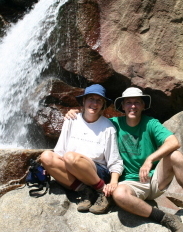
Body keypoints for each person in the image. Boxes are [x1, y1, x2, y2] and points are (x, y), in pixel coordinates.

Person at [66, 87, 183, 232]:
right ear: (122, 106)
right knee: (119, 194)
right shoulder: (112, 125)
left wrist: (150, 159)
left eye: (137, 102)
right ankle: (165, 218)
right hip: (130, 184)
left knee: (176, 156)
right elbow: (91, 120)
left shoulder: (150, 123)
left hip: (155, 180)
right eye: (129, 103)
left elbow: (173, 142)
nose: (133, 106)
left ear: (143, 105)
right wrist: (75, 114)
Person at [40, 84, 124, 214]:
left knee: (71, 157)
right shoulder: (71, 120)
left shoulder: (108, 128)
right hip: (71, 166)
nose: (94, 104)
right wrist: (50, 166)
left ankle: (102, 191)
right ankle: (85, 191)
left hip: (96, 171)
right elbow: (60, 150)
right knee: (46, 156)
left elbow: (114, 160)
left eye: (99, 100)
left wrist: (113, 182)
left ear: (103, 104)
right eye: (91, 99)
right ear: (83, 101)